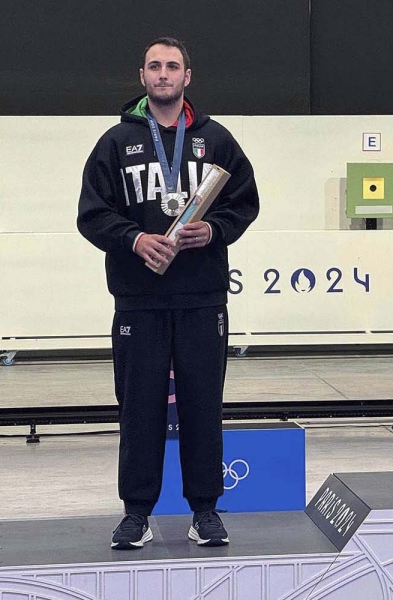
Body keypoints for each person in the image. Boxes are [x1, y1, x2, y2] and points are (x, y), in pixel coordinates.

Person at [76, 37, 260, 549]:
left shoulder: (217, 140)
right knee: (139, 408)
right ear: (142, 77)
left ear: (187, 77)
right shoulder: (116, 142)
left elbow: (245, 203)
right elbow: (92, 214)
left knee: (204, 405)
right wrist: (133, 239)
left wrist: (215, 230)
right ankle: (137, 513)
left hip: (202, 298)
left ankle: (205, 511)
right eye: (154, 67)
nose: (163, 74)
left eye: (172, 66)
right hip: (139, 299)